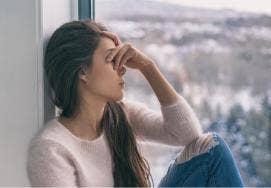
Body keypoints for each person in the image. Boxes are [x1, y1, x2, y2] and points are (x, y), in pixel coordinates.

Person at [27, 20, 244, 187]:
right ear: (82, 71)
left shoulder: (120, 115)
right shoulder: (51, 148)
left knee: (212, 149)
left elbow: (187, 135)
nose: (122, 68)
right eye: (112, 59)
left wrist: (147, 67)